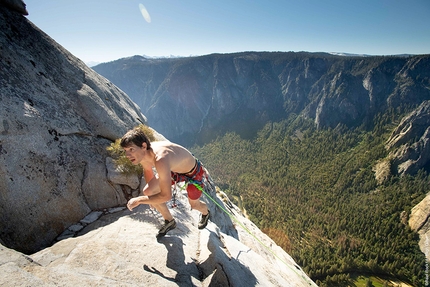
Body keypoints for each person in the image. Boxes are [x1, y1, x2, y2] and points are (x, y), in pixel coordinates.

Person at [120, 127, 210, 239]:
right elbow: (148, 170)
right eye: (125, 151)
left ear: (143, 146)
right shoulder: (143, 154)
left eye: (131, 150)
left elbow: (167, 196)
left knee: (194, 204)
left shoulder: (160, 159)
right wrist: (152, 196)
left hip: (193, 172)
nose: (127, 155)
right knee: (148, 191)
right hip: (174, 169)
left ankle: (206, 213)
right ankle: (169, 221)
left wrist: (139, 200)